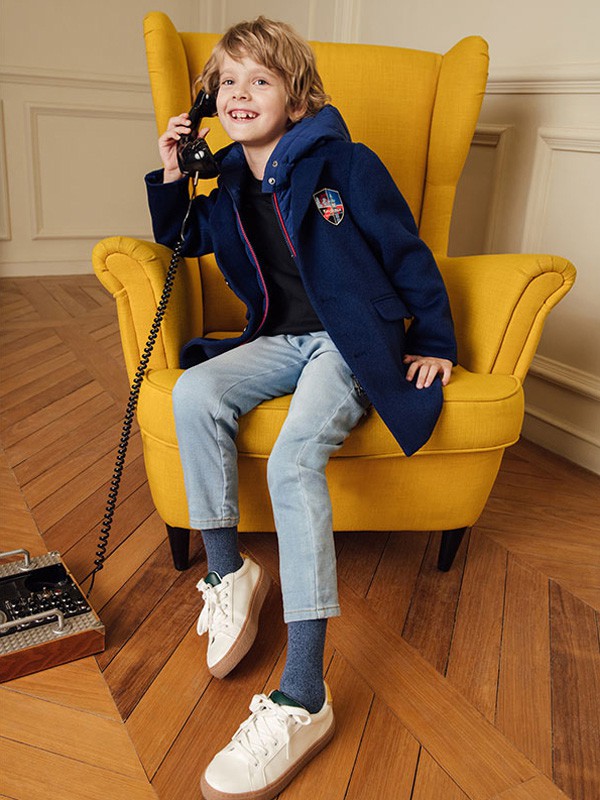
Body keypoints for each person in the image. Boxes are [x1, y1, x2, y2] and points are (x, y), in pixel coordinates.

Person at [146, 16, 456, 800]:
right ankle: (230, 572)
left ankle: (305, 691)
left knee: (292, 460)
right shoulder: (230, 181)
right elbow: (184, 241)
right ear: (209, 100)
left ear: (296, 94)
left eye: (261, 79)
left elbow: (407, 252)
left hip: (348, 343)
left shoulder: (345, 163)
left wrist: (433, 338)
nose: (240, 93)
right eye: (227, 81)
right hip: (281, 339)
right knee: (195, 391)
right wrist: (178, 171)